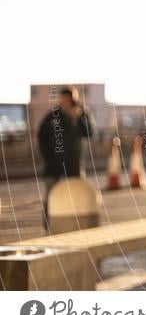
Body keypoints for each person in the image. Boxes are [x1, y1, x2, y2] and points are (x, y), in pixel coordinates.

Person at [37, 86, 93, 226]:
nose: (65, 101)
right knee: (50, 194)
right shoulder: (53, 115)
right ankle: (48, 224)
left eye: (69, 98)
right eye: (63, 98)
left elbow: (89, 133)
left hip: (73, 163)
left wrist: (79, 118)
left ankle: (77, 222)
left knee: (76, 193)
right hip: (53, 164)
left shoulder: (82, 113)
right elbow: (41, 136)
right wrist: (47, 156)